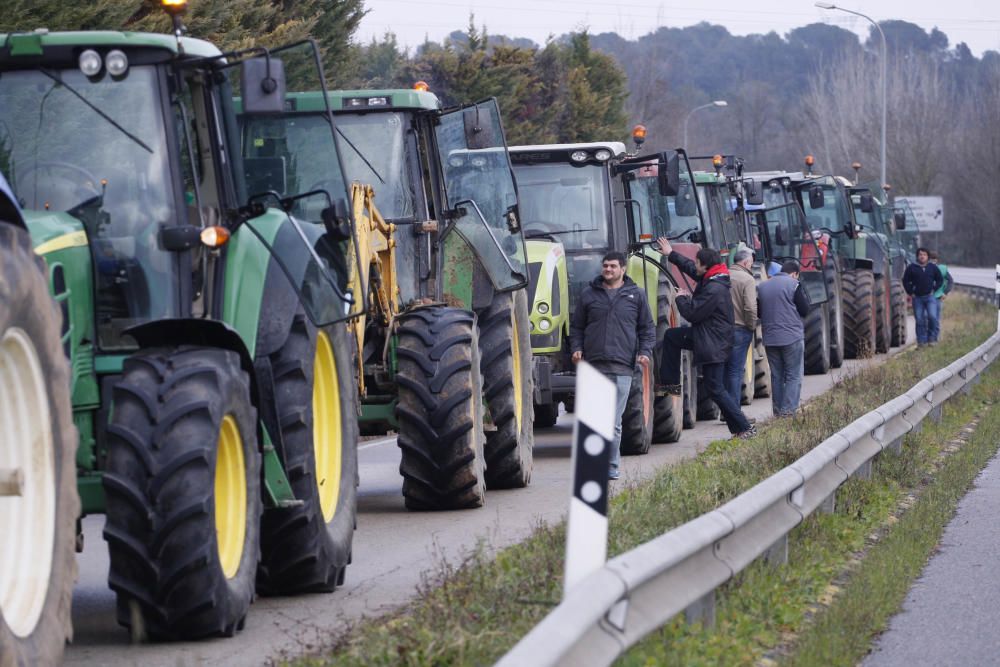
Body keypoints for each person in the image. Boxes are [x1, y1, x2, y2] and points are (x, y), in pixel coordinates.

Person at [655, 238, 756, 439]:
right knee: (672, 337)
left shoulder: (714, 289)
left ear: (706, 265)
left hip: (712, 343)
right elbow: (692, 269)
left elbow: (692, 313)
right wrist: (671, 254)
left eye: (698, 262)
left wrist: (681, 297)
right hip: (708, 336)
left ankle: (744, 427)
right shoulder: (713, 276)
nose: (696, 265)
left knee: (716, 389)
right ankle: (670, 385)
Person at [570, 251, 656, 480]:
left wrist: (645, 352)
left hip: (622, 368)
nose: (608, 270)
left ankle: (610, 467)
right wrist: (576, 348)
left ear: (623, 269)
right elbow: (577, 327)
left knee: (613, 422)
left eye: (613, 266)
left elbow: (647, 329)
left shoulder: (636, 295)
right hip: (594, 366)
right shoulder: (589, 294)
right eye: (605, 266)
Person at [757, 260, 810, 417]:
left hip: (770, 339)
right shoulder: (794, 284)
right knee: (793, 375)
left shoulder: (763, 286)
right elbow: (805, 309)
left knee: (777, 376)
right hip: (792, 337)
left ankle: (778, 412)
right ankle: (788, 412)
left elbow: (759, 312)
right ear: (794, 274)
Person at [725, 246, 758, 408]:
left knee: (725, 371)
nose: (751, 266)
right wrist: (751, 326)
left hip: (722, 330)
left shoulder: (723, 276)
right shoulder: (747, 279)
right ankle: (733, 412)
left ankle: (726, 411)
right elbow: (751, 307)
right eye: (751, 263)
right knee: (736, 371)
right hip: (740, 329)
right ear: (745, 262)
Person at [902, 247, 944, 347]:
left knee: (933, 317)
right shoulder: (912, 267)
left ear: (927, 256)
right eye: (920, 254)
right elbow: (905, 280)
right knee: (920, 320)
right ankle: (921, 342)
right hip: (917, 298)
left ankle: (932, 339)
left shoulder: (932, 267)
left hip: (930, 297)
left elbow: (940, 279)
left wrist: (934, 288)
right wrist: (910, 292)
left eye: (924, 255)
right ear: (917, 256)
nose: (922, 256)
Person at [929, 251, 954, 345]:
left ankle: (935, 339)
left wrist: (945, 292)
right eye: (930, 260)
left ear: (937, 260)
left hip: (938, 297)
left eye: (934, 260)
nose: (932, 261)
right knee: (928, 318)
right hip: (926, 297)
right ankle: (929, 339)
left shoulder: (942, 269)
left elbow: (950, 281)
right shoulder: (924, 268)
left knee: (935, 318)